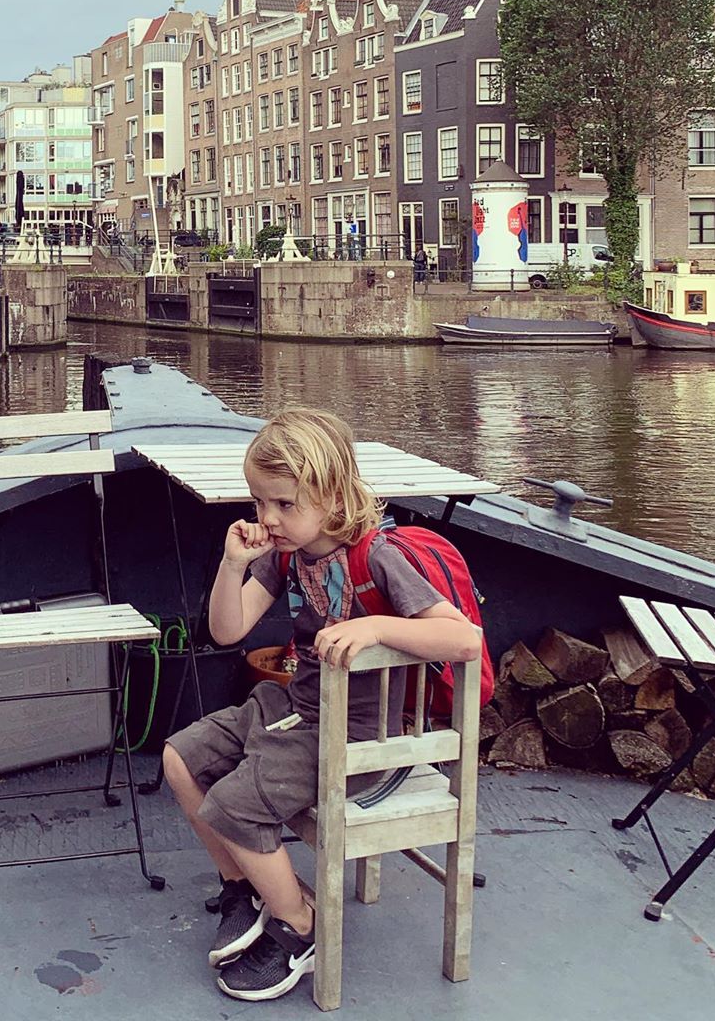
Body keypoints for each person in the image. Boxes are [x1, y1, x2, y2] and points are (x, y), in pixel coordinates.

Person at [162, 408, 483, 1003]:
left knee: (232, 804)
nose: (267, 518)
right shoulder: (288, 554)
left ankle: (301, 927)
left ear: (332, 495)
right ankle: (245, 890)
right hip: (294, 710)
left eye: (284, 504)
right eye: (260, 502)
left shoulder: (379, 557)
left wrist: (378, 626)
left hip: (358, 739)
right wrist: (233, 565)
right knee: (180, 758)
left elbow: (463, 639)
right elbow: (227, 631)